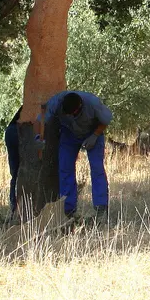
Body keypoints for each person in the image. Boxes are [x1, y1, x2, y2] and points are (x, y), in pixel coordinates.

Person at [44, 90, 112, 221]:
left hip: (92, 132)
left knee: (97, 169)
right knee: (65, 169)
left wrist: (95, 136)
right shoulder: (55, 103)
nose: (72, 116)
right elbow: (43, 120)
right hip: (69, 134)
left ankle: (101, 210)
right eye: (68, 114)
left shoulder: (92, 103)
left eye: (75, 113)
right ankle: (68, 210)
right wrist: (39, 138)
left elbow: (106, 119)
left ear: (80, 105)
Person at [4, 106, 21, 220]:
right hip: (18, 131)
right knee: (18, 172)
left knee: (15, 173)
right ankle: (16, 206)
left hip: (10, 131)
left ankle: (14, 206)